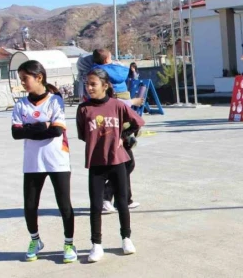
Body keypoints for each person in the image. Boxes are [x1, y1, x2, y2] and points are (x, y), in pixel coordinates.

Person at [11, 60, 77, 263]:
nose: (22, 83)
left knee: (64, 205)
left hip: (57, 160)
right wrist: (43, 125)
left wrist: (30, 129)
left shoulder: (55, 101)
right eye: (20, 79)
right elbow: (16, 133)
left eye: (25, 79)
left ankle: (68, 243)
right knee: (30, 205)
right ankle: (35, 240)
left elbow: (57, 131)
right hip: (32, 162)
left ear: (39, 77)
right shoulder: (20, 105)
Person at [77, 68, 144, 263]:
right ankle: (96, 245)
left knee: (122, 201)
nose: (89, 88)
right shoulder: (83, 109)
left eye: (93, 84)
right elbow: (83, 134)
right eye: (87, 84)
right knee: (96, 205)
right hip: (96, 161)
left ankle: (126, 238)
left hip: (117, 160)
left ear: (105, 86)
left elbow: (137, 122)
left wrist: (123, 137)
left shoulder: (117, 105)